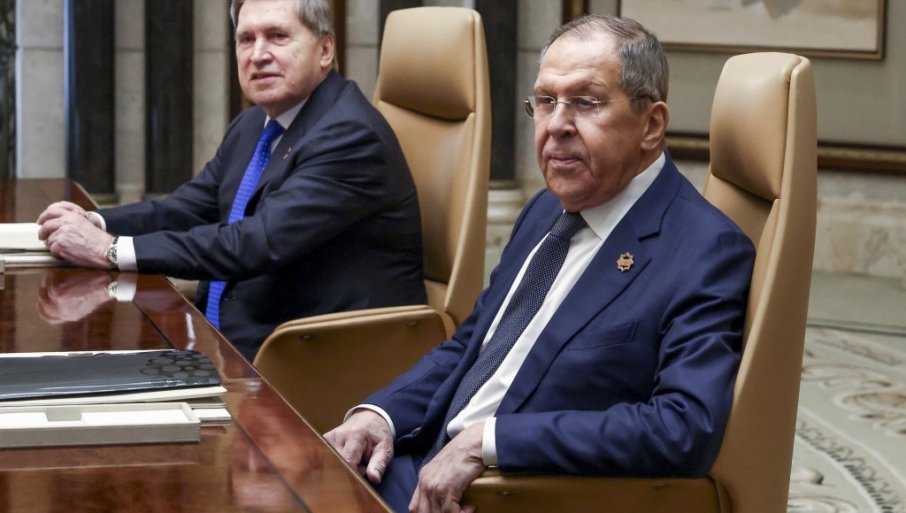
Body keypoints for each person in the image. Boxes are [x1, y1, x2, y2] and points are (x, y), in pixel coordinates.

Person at [324, 14, 756, 513]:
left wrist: (492, 441)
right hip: (422, 458)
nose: (557, 125)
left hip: (508, 491)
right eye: (546, 101)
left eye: (586, 102)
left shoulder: (704, 248)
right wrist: (381, 415)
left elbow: (681, 427)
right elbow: (472, 346)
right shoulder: (547, 209)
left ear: (651, 125)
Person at [36, 0, 426, 360]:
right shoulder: (255, 124)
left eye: (277, 36)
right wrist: (97, 222)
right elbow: (188, 208)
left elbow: (256, 242)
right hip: (229, 342)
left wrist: (110, 250)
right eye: (246, 39)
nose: (258, 55)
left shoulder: (349, 135)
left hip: (309, 359)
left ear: (325, 50)